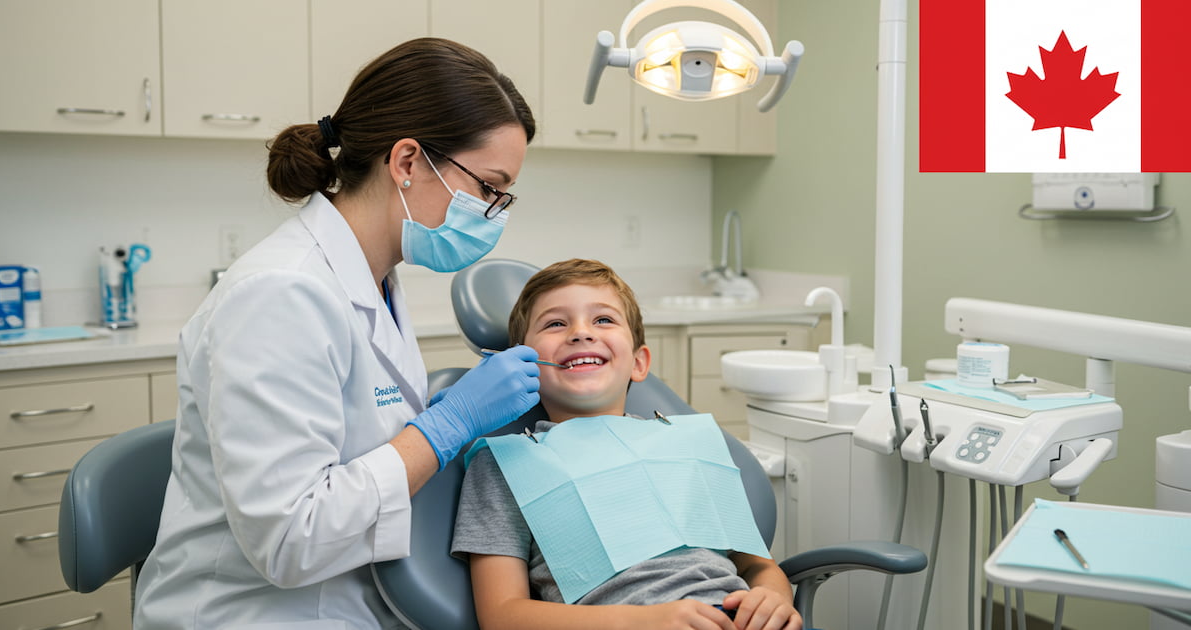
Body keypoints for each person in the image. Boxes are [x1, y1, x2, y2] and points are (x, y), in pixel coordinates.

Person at [133, 38, 543, 629]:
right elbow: (290, 541)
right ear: (406, 163)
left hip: (357, 597)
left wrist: (440, 430)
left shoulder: (377, 279)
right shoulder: (280, 294)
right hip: (256, 613)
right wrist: (443, 430)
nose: (493, 213)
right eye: (488, 188)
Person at [452, 259, 803, 630]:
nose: (581, 333)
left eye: (603, 320)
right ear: (525, 367)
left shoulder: (687, 446)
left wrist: (773, 598)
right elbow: (502, 615)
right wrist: (642, 621)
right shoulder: (507, 465)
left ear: (639, 362)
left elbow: (757, 565)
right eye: (556, 323)